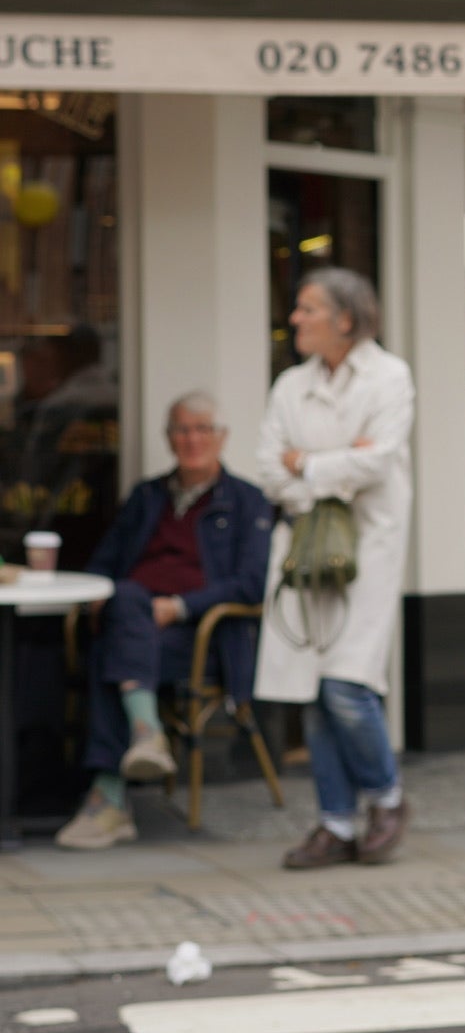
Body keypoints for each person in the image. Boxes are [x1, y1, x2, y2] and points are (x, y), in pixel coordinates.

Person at [54, 394, 272, 850]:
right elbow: (104, 563)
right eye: (181, 429)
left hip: (195, 636)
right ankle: (144, 735)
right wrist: (98, 595)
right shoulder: (147, 497)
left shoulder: (247, 501)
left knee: (111, 652)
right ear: (168, 438)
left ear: (221, 437)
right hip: (136, 623)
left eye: (201, 429)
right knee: (126, 599)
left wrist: (179, 607)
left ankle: (109, 797)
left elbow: (250, 585)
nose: (191, 439)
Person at [254, 269, 415, 869]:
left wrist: (308, 467)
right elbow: (269, 468)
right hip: (303, 554)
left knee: (345, 684)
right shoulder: (289, 385)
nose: (295, 318)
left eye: (307, 308)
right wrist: (334, 466)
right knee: (310, 691)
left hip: (367, 553)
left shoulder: (390, 376)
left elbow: (377, 464)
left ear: (344, 320)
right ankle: (336, 823)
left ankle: (388, 797)